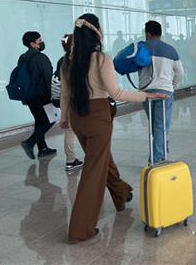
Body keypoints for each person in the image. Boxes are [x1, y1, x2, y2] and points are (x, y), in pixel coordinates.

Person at [60, 13, 166, 244]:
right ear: (97, 32)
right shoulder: (101, 59)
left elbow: (65, 94)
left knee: (101, 160)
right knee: (94, 170)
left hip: (77, 117)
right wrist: (145, 96)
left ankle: (121, 193)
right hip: (98, 116)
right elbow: (116, 93)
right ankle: (80, 229)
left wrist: (63, 118)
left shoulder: (68, 61)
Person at [138, 20, 184, 164]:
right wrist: (173, 85)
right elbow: (180, 73)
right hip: (165, 91)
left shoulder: (141, 48)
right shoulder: (170, 49)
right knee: (161, 125)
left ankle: (159, 151)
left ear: (147, 33)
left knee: (154, 125)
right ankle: (158, 157)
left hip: (146, 91)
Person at [19, 31, 56, 160]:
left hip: (29, 96)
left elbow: (21, 79)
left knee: (40, 121)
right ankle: (30, 142)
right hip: (42, 95)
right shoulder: (41, 58)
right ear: (32, 43)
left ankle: (43, 148)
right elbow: (48, 78)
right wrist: (54, 95)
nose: (41, 42)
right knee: (51, 118)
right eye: (39, 40)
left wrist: (24, 97)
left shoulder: (23, 57)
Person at [52, 34, 83, 172]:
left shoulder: (62, 60)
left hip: (67, 100)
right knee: (78, 129)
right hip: (77, 99)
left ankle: (71, 159)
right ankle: (72, 160)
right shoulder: (79, 59)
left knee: (71, 130)